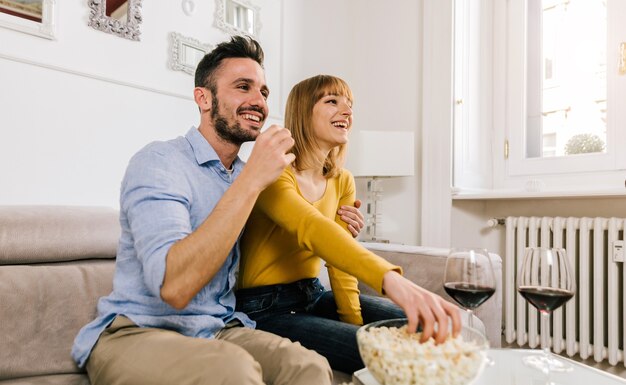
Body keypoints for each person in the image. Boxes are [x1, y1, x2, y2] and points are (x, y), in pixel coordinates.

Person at [71, 36, 335, 385]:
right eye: (244, 87)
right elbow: (175, 287)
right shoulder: (159, 162)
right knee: (232, 371)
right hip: (139, 331)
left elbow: (301, 231)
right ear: (203, 97)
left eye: (265, 92)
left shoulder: (247, 175)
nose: (259, 102)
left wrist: (339, 219)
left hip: (219, 329)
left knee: (309, 366)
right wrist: (252, 180)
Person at [235, 74, 463, 374]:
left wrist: (353, 323)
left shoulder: (342, 180)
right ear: (304, 113)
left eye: (349, 105)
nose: (347, 112)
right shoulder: (275, 173)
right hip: (264, 310)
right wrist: (390, 280)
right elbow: (313, 229)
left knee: (420, 330)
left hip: (313, 294)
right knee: (387, 352)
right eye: (332, 102)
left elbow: (338, 259)